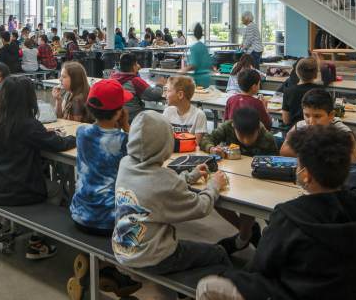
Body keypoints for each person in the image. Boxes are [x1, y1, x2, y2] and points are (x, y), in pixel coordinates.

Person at [195, 126, 356, 300]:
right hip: (353, 293)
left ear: (306, 174)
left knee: (207, 285)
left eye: (298, 164)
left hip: (296, 294)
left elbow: (262, 265)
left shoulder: (289, 215)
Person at [112, 111, 231, 275]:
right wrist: (214, 185)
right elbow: (201, 207)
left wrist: (189, 176)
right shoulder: (164, 180)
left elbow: (160, 188)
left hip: (123, 250)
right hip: (153, 258)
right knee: (219, 253)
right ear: (165, 145)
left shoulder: (125, 164)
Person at [0, 76, 76, 259]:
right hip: (19, 189)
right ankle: (37, 240)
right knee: (56, 189)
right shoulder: (28, 125)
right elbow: (58, 144)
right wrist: (74, 138)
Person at [68, 79, 141, 299]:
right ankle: (107, 270)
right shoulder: (124, 140)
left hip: (80, 213)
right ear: (120, 112)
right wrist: (127, 127)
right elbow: (138, 163)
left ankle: (101, 269)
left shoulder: (82, 133)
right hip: (109, 221)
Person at [203, 107, 277, 256]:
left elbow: (274, 163)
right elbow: (206, 139)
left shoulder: (267, 138)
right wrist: (212, 149)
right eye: (241, 136)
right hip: (232, 176)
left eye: (251, 136)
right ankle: (248, 232)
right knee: (215, 199)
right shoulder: (227, 127)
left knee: (247, 203)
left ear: (258, 129)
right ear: (234, 127)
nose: (246, 141)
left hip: (257, 183)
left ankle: (244, 237)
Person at [280, 88, 356, 163]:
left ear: (331, 115)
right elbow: (284, 151)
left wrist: (305, 151)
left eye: (317, 116)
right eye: (307, 115)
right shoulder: (300, 125)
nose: (311, 122)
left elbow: (351, 162)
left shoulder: (343, 132)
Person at [111, 52, 164, 122]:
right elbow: (154, 95)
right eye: (136, 64)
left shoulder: (113, 78)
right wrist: (160, 85)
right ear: (133, 66)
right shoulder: (135, 80)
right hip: (133, 117)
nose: (138, 66)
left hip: (116, 116)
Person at [162, 75, 207, 145]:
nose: (165, 95)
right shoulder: (167, 111)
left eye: (168, 91)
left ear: (180, 95)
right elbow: (164, 140)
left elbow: (195, 145)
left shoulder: (199, 115)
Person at [281, 56, 323, 127]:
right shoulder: (321, 91)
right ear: (316, 74)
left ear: (297, 72)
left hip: (295, 132)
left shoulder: (288, 91)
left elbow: (286, 120)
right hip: (315, 131)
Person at [181, 23, 213, 88]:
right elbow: (209, 64)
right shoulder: (204, 47)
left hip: (199, 79)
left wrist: (183, 70)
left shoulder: (194, 48)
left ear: (194, 34)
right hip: (208, 78)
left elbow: (194, 65)